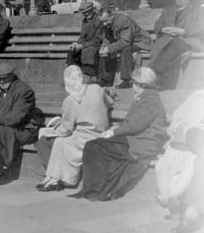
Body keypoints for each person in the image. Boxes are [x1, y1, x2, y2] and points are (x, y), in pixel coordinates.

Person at [70, 67, 168, 201]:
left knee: (94, 146)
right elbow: (134, 123)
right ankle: (94, 189)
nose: (133, 86)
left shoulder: (150, 100)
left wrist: (113, 131)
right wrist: (116, 129)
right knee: (94, 145)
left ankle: (97, 189)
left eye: (134, 83)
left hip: (140, 144)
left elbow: (135, 125)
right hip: (134, 140)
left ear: (140, 84)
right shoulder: (145, 98)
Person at [34, 65, 110, 191]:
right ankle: (54, 177)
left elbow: (67, 129)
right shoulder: (96, 88)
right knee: (59, 141)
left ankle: (57, 178)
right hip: (101, 132)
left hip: (84, 138)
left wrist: (52, 130)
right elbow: (108, 101)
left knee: (48, 139)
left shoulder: (70, 99)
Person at [155, 90, 204, 225]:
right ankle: (168, 198)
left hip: (196, 147)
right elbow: (179, 115)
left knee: (188, 169)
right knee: (161, 165)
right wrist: (182, 127)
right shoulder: (198, 95)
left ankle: (171, 198)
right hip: (183, 141)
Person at [150, 0, 204, 90]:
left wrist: (182, 31)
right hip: (167, 40)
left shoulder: (198, 10)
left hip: (188, 40)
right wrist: (163, 29)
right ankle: (164, 82)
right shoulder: (168, 9)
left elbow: (201, 28)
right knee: (167, 47)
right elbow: (158, 24)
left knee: (173, 47)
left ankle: (156, 75)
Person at [98, 9, 152, 89]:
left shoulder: (123, 21)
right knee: (105, 53)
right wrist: (103, 48)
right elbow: (107, 38)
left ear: (112, 17)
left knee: (126, 50)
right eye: (102, 22)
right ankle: (105, 79)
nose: (104, 24)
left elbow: (125, 42)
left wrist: (109, 48)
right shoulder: (107, 24)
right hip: (128, 42)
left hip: (140, 41)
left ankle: (127, 80)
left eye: (105, 21)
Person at [66, 1, 105, 82]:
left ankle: (93, 77)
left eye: (88, 11)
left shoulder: (99, 20)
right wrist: (76, 43)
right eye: (84, 13)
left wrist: (82, 46)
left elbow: (97, 40)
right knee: (72, 50)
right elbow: (83, 36)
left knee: (88, 51)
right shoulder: (85, 21)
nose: (86, 14)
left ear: (93, 10)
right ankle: (74, 77)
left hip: (98, 45)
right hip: (87, 44)